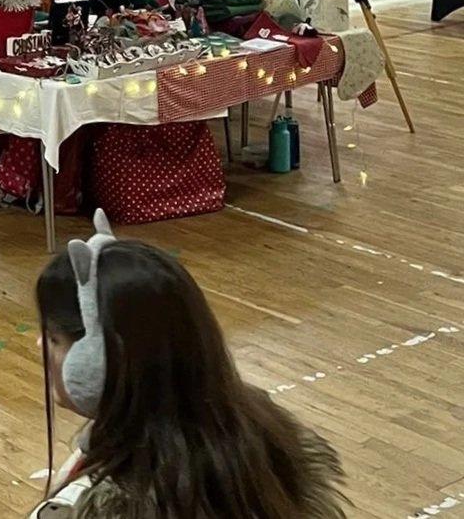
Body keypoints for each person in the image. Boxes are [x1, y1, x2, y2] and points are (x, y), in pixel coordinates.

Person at [33, 213, 346, 518]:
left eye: (54, 338)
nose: (39, 345)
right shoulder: (261, 437)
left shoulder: (120, 504)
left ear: (100, 364)